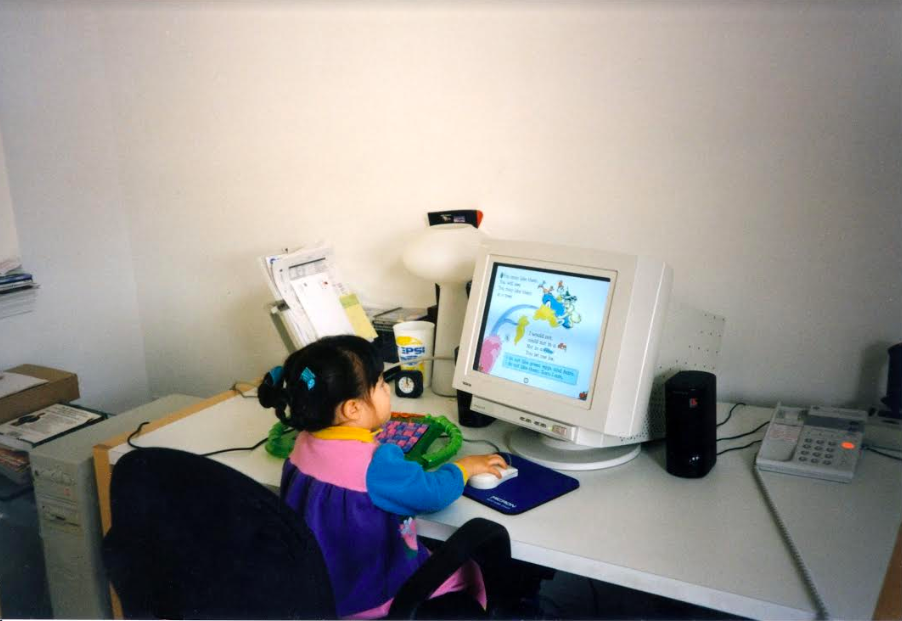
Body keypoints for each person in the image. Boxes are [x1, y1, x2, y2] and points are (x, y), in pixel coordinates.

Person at [258, 334, 508, 619]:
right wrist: (465, 468)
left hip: (320, 589)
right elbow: (434, 494)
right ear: (352, 409)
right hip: (372, 596)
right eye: (378, 384)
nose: (387, 390)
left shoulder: (302, 442)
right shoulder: (376, 464)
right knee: (470, 571)